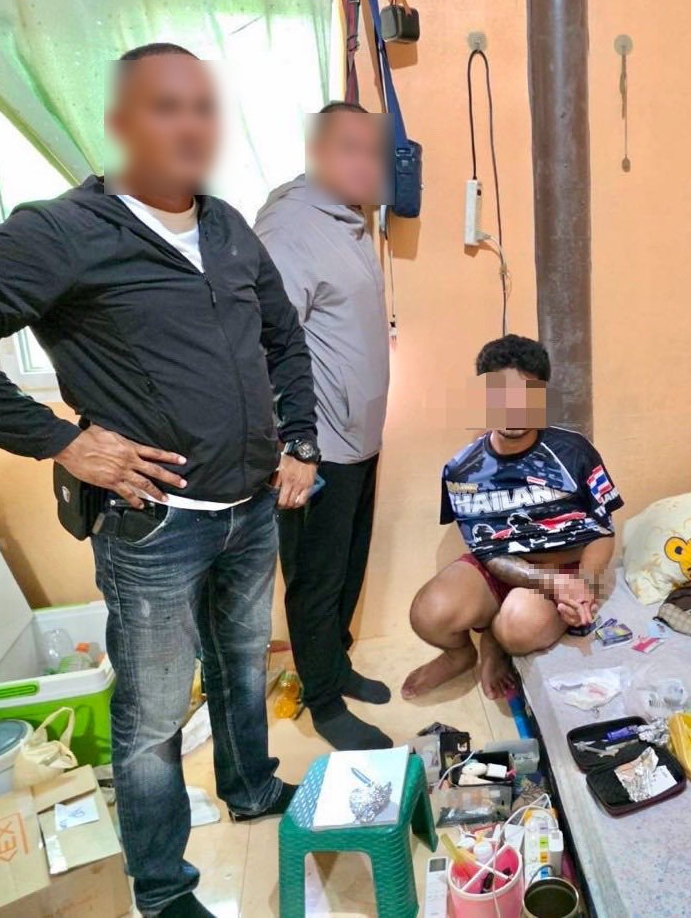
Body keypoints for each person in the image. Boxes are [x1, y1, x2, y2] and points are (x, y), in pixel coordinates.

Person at [0, 43, 319, 918]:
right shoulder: (60, 233)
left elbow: (284, 339)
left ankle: (250, 786)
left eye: (202, 107)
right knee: (154, 717)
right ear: (120, 122)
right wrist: (60, 441)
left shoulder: (227, 226)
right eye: (165, 106)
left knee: (242, 667)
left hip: (249, 508)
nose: (190, 125)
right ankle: (161, 888)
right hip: (154, 524)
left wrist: (302, 442)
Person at [255, 101, 393, 751]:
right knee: (314, 579)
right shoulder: (290, 228)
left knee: (345, 570)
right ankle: (323, 701)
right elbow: (266, 345)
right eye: (349, 148)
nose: (366, 163)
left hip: (360, 440)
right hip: (318, 448)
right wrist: (295, 446)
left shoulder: (349, 220)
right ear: (316, 151)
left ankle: (335, 668)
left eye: (373, 150)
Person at [402, 335, 622, 700]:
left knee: (517, 628)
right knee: (428, 614)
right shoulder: (462, 470)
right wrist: (547, 583)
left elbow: (602, 529)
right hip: (501, 566)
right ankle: (460, 655)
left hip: (566, 567)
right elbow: (487, 553)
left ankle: (495, 642)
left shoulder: (574, 451)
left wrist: (582, 583)